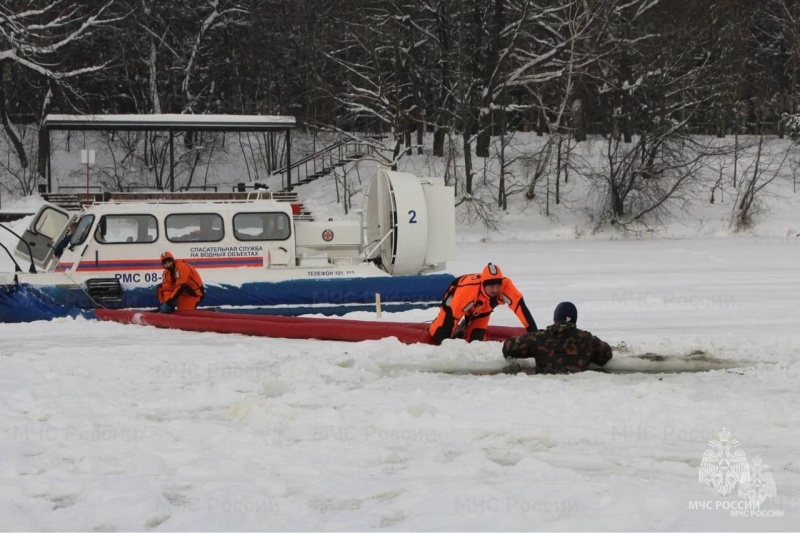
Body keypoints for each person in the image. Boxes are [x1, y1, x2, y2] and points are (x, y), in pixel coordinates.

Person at [427, 263, 537, 344]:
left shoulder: (506, 286)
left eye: (498, 285)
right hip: (456, 298)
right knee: (441, 336)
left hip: (483, 308)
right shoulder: (468, 291)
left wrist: (534, 334)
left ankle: (464, 329)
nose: (495, 290)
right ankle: (435, 326)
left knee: (476, 343)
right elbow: (453, 316)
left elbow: (521, 309)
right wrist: (447, 337)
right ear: (483, 284)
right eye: (491, 286)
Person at [502, 301, 612, 374]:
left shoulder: (539, 338)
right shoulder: (588, 340)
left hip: (545, 385)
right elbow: (606, 354)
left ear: (555, 319)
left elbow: (508, 348)